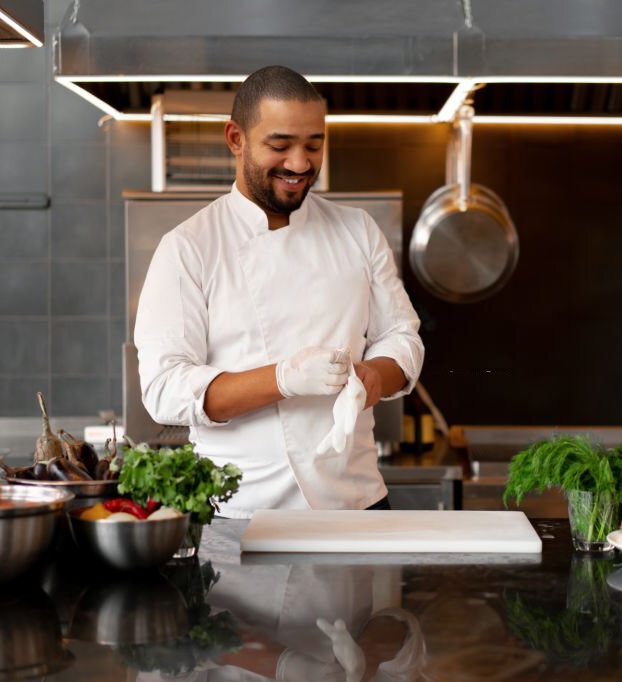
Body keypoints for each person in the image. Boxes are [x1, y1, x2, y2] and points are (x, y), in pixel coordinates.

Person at [134, 65, 424, 518]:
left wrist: (374, 377)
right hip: (239, 511)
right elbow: (164, 388)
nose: (300, 163)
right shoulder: (189, 247)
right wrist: (283, 379)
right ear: (236, 139)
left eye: (314, 144)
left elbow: (402, 337)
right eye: (280, 145)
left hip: (356, 504)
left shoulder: (358, 231)